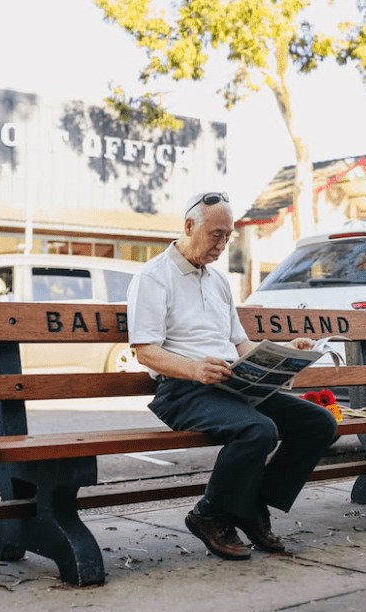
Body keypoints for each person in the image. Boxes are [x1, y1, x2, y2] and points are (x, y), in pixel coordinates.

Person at [127, 191, 339, 561]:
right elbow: (145, 350)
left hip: (233, 384)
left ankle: (253, 505)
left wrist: (282, 351)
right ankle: (209, 514)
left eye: (228, 236)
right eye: (216, 234)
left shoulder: (218, 281)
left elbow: (239, 344)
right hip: (184, 389)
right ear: (190, 226)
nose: (223, 244)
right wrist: (194, 368)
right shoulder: (153, 277)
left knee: (318, 422)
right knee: (258, 430)